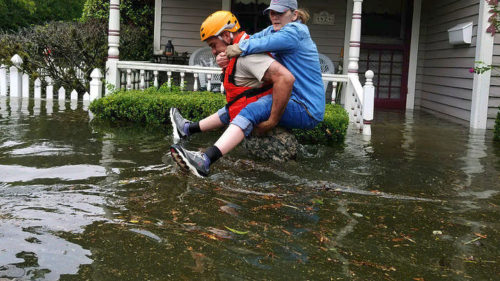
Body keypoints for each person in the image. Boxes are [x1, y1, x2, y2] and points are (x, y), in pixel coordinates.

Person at [170, 10, 295, 177]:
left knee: (240, 106)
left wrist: (272, 120)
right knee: (237, 104)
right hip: (249, 115)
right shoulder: (238, 52)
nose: (213, 51)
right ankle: (187, 129)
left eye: (213, 45)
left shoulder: (249, 57)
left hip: (270, 137)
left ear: (227, 36)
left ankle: (204, 159)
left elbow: (284, 78)